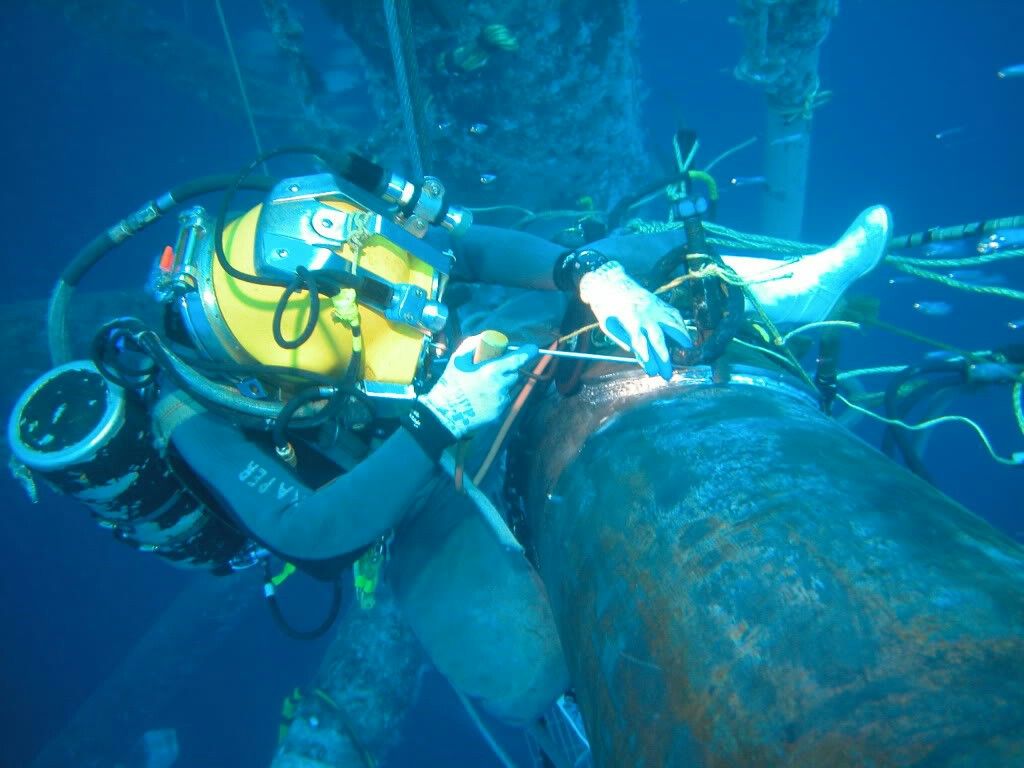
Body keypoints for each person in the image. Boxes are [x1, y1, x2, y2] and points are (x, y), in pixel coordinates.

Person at [8, 160, 892, 726]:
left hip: (439, 372)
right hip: (374, 476)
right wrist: (436, 422)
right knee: (522, 673)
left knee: (628, 250)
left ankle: (785, 290)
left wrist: (588, 274)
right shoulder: (192, 413)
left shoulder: (334, 224)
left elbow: (465, 252)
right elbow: (311, 533)